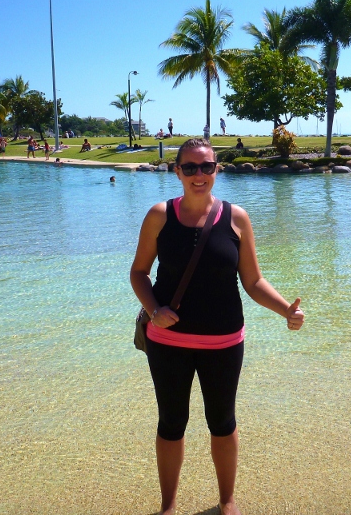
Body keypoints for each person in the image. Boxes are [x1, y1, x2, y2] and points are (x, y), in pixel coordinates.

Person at [130, 137, 305, 515]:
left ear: (216, 170)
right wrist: (154, 308)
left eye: (205, 166)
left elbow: (254, 282)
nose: (198, 174)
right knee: (171, 422)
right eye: (189, 167)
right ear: (176, 171)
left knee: (223, 423)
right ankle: (168, 506)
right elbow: (139, 273)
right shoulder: (160, 215)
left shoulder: (236, 218)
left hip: (224, 342)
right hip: (168, 341)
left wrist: (284, 311)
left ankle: (227, 501)